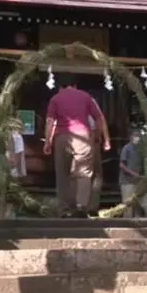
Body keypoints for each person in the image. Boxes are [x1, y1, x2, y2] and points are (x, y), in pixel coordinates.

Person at [42, 75, 110, 218]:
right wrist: (103, 138)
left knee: (62, 174)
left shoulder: (55, 98)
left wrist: (48, 141)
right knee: (84, 173)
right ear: (75, 85)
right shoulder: (86, 96)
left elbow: (49, 121)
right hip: (83, 137)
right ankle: (81, 206)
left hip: (62, 137)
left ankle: (65, 209)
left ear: (60, 87)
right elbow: (99, 118)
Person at [119, 128, 147, 217]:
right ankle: (127, 228)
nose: (137, 138)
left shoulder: (140, 150)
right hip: (127, 182)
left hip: (138, 182)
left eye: (139, 136)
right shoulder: (126, 148)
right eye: (135, 135)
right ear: (130, 137)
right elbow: (122, 165)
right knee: (128, 208)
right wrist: (132, 173)